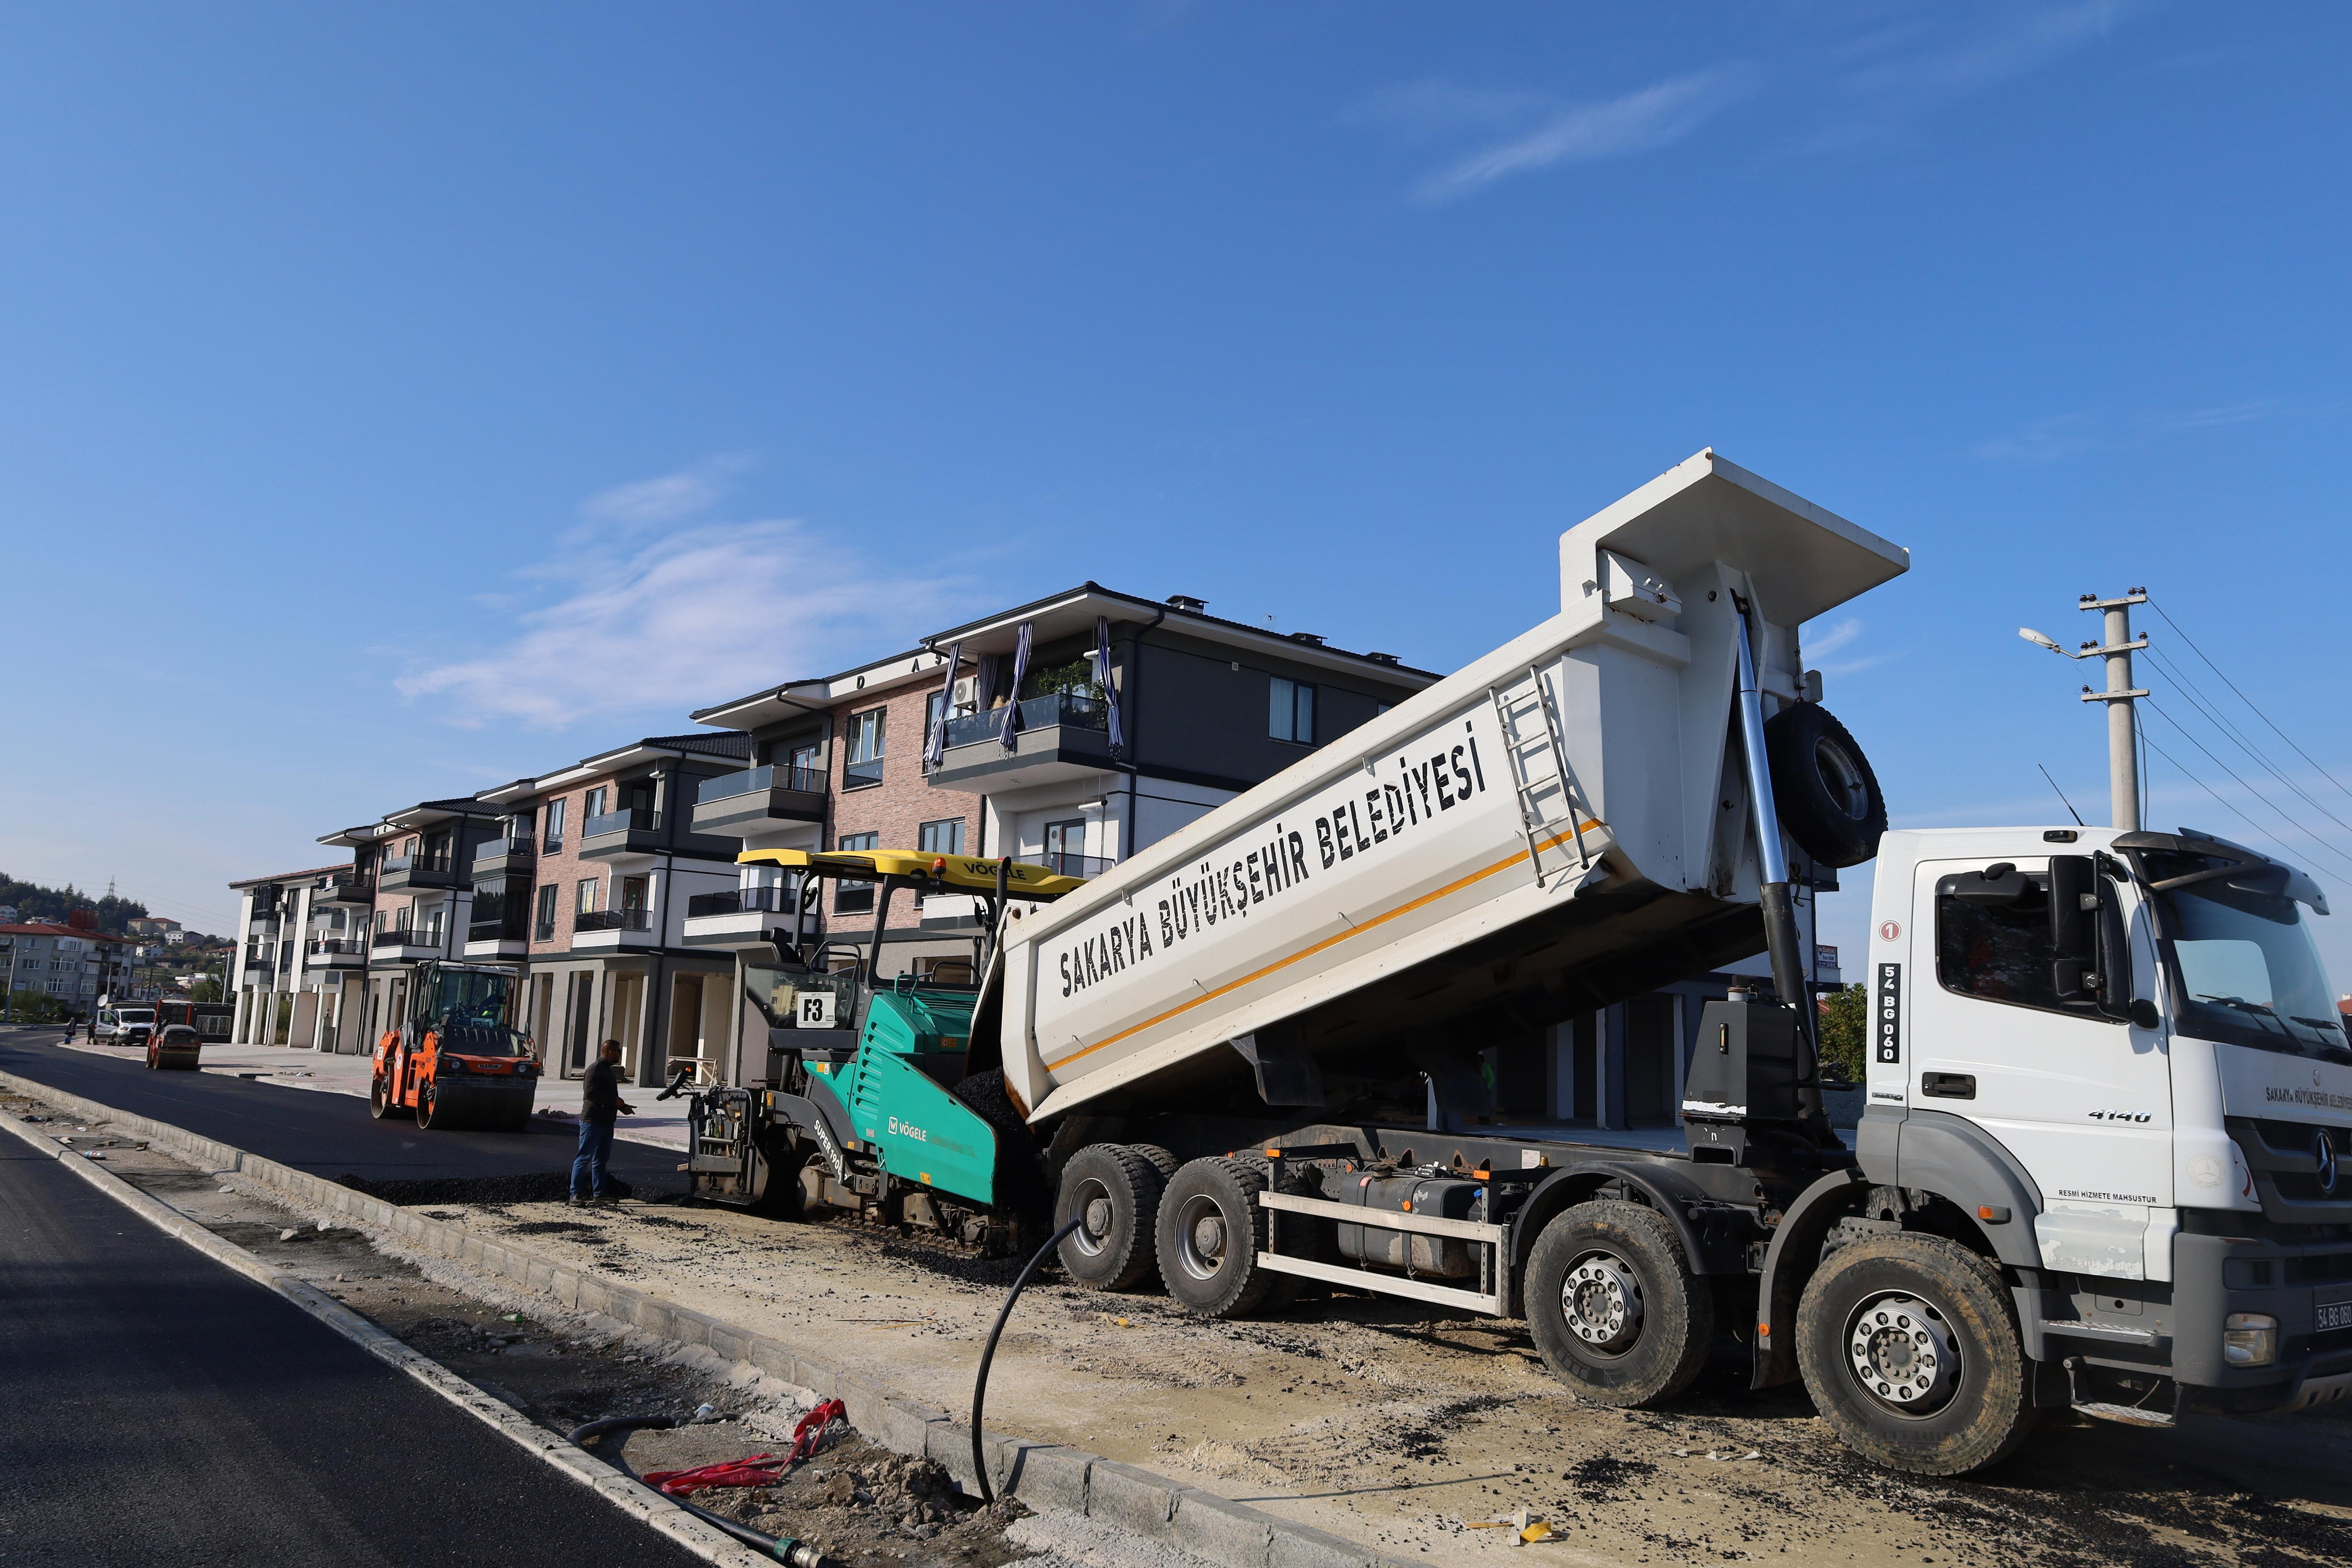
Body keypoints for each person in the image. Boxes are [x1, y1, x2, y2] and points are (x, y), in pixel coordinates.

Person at [570, 1039, 635, 1206]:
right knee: (584, 1157)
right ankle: (575, 1194)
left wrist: (623, 1107)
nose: (620, 1054)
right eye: (618, 1051)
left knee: (601, 1160)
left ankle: (599, 1194)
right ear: (608, 1052)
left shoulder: (608, 1070)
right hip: (592, 1122)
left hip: (607, 1122)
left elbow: (610, 1098)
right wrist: (615, 1102)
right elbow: (591, 1094)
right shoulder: (595, 1069)